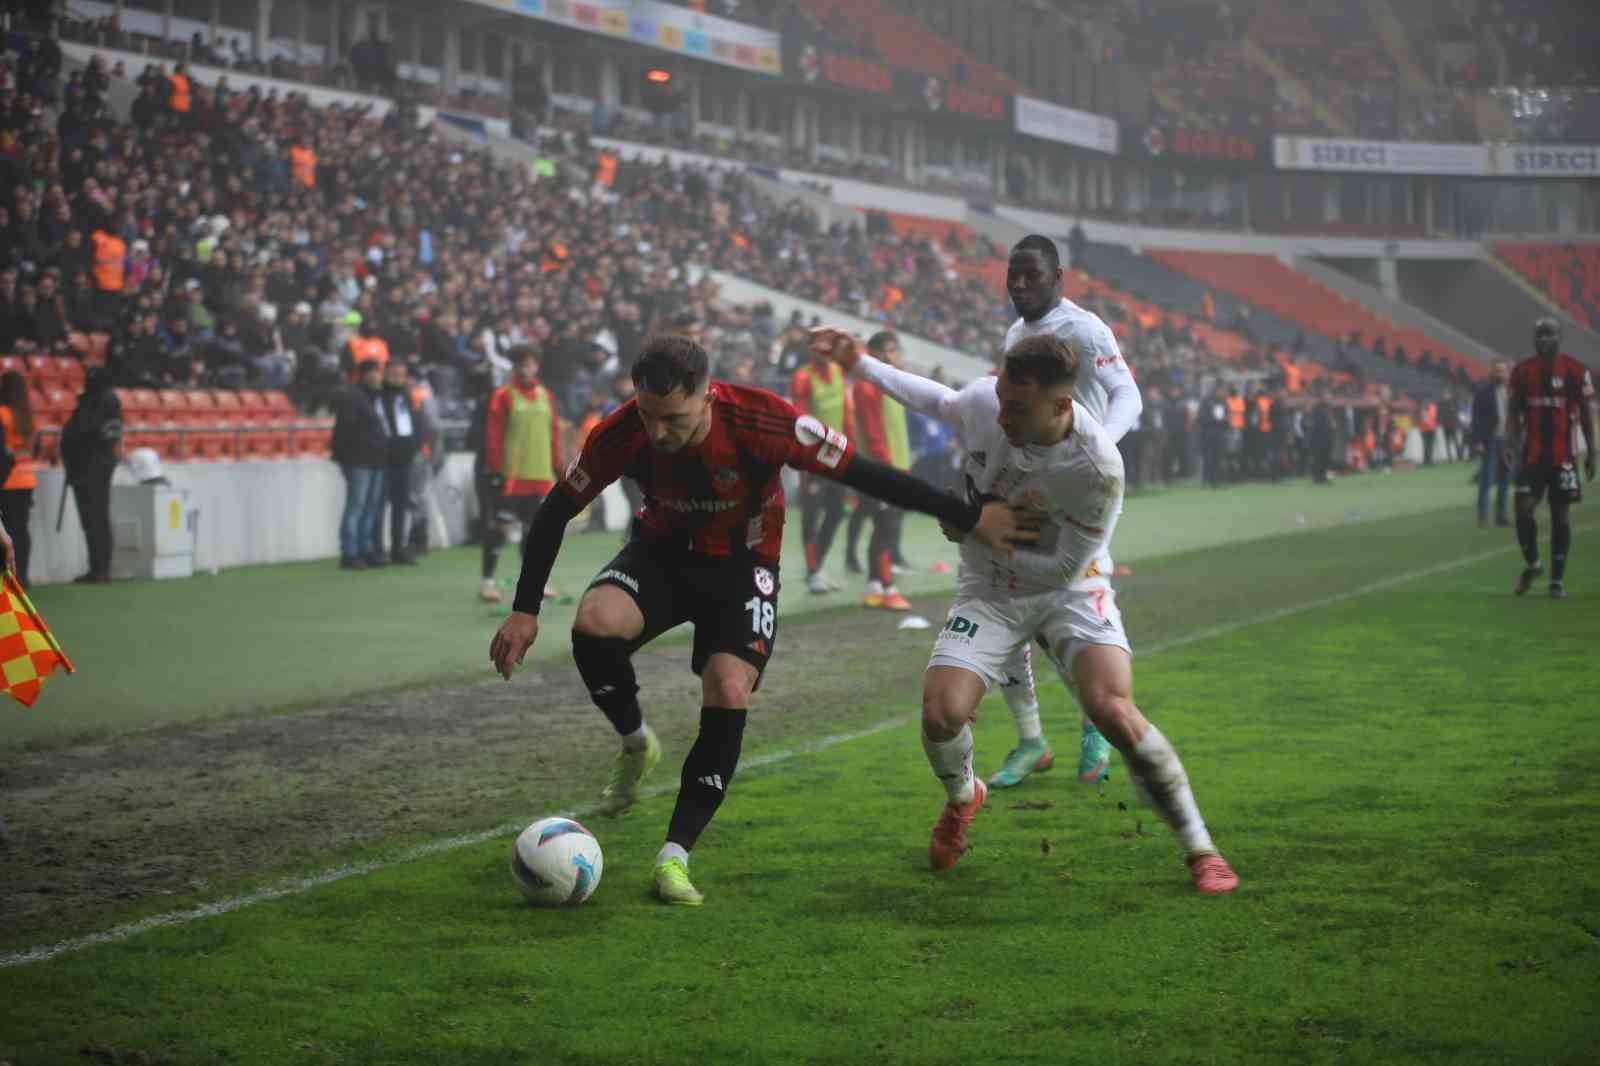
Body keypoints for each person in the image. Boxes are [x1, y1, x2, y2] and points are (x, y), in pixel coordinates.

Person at [487, 335, 1029, 907]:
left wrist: (967, 516)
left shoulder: (763, 421)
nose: (657, 433)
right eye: (648, 415)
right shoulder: (623, 431)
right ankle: (635, 741)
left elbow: (866, 474)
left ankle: (674, 858)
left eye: (672, 419)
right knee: (594, 622)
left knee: (727, 686)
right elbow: (553, 514)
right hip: (661, 553)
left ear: (707, 396)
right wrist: (525, 610)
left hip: (744, 569)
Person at [810, 325, 1238, 895]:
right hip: (990, 588)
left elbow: (1061, 567)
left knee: (1113, 709)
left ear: (1061, 404)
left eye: (1018, 407)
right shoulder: (992, 400)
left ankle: (1201, 849)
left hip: (1071, 588)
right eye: (1001, 400)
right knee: (940, 714)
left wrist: (970, 523)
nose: (1002, 416)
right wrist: (860, 363)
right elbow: (938, 401)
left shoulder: (1097, 470)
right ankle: (964, 796)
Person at [986, 235, 1143, 791]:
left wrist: (1102, 442)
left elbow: (1129, 395)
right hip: (1029, 488)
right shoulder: (1015, 334)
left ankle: (1093, 724)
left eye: (1032, 275)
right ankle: (1032, 739)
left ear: (1059, 278)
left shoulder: (1085, 329)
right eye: (1014, 275)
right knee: (1006, 613)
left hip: (1077, 493)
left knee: (1063, 617)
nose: (1021, 285)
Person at [1506, 319, 1596, 599]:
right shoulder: (1522, 372)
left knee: (1561, 516)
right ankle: (1533, 565)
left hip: (1564, 458)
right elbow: (1513, 413)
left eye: (1550, 334)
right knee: (1523, 509)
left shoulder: (1577, 370)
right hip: (1532, 456)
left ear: (1560, 338)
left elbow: (1586, 414)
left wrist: (1593, 452)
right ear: (1534, 339)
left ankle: (1557, 580)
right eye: (1540, 335)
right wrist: (1509, 444)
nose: (1544, 339)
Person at [480, 345, 562, 603]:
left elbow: (554, 433)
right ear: (514, 367)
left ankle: (535, 583)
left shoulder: (545, 396)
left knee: (534, 532)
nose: (526, 369)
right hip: (512, 477)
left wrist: (558, 465)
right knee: (501, 528)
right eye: (521, 365)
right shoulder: (503, 396)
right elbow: (493, 435)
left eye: (530, 364)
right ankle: (487, 583)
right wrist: (495, 469)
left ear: (536, 366)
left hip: (540, 475)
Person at [848, 331, 912, 610]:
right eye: (883, 351)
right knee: (886, 527)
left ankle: (875, 585)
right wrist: (887, 468)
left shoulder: (891, 385)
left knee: (885, 527)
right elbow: (874, 433)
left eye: (893, 350)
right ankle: (888, 587)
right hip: (882, 468)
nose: (889, 356)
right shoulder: (867, 386)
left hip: (896, 466)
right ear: (871, 353)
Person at [790, 339, 854, 594]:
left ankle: (817, 566)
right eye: (820, 348)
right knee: (811, 513)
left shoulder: (839, 372)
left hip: (838, 454)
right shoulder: (802, 377)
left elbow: (847, 413)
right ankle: (814, 572)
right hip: (812, 457)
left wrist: (851, 448)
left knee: (837, 511)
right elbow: (801, 421)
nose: (825, 353)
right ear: (812, 350)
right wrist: (807, 458)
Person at [59, 367, 122, 584]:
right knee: (96, 518)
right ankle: (99, 568)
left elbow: (82, 432)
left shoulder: (97, 401)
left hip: (90, 466)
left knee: (94, 518)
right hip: (93, 465)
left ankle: (99, 569)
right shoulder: (105, 400)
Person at [331, 359, 389, 569]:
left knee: (370, 506)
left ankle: (365, 549)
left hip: (375, 459)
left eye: (378, 371)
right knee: (357, 506)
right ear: (364, 374)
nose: (377, 376)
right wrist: (345, 456)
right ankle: (350, 552)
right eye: (373, 372)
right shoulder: (354, 397)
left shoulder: (376, 397)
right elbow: (345, 430)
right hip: (359, 459)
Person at [376, 359, 423, 566]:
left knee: (400, 507)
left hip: (404, 459)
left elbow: (414, 422)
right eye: (393, 373)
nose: (397, 377)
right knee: (378, 508)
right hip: (383, 460)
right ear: (385, 373)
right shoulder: (378, 396)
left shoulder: (405, 396)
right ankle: (377, 549)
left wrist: (414, 445)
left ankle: (397, 549)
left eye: (400, 374)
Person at [0, 372, 37, 586]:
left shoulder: (3, 413)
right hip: (27, 477)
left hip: (8, 478)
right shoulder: (29, 416)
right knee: (22, 529)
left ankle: (11, 575)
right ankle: (23, 575)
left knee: (9, 530)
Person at [1472, 360, 1513, 527]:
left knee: (1505, 480)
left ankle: (1501, 516)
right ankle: (1483, 516)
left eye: (1502, 371)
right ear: (1491, 372)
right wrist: (1478, 441)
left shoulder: (1512, 392)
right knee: (1487, 480)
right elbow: (1476, 419)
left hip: (1508, 441)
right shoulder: (1483, 392)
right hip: (1490, 440)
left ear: (1507, 373)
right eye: (1496, 371)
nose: (1499, 374)